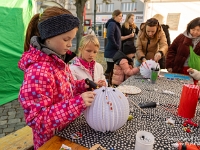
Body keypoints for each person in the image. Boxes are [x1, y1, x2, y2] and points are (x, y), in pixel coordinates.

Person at [18, 7, 95, 150]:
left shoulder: (58, 60)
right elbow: (37, 120)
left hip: (65, 134)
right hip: (50, 143)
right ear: (48, 37)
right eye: (66, 39)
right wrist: (78, 103)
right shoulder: (38, 71)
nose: (70, 44)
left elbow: (64, 89)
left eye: (71, 39)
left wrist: (81, 86)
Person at [166, 17, 200, 83]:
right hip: (179, 68)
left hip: (194, 71)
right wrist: (169, 65)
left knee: (190, 89)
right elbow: (171, 50)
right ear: (189, 28)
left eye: (198, 30)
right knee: (175, 86)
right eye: (193, 29)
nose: (195, 32)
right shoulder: (181, 37)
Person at [104, 9, 123, 86]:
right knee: (110, 69)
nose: (121, 18)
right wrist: (117, 46)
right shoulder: (112, 24)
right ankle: (105, 84)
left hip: (114, 51)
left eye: (122, 16)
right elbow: (110, 36)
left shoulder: (116, 24)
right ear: (115, 16)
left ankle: (109, 84)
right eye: (120, 16)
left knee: (112, 69)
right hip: (111, 52)